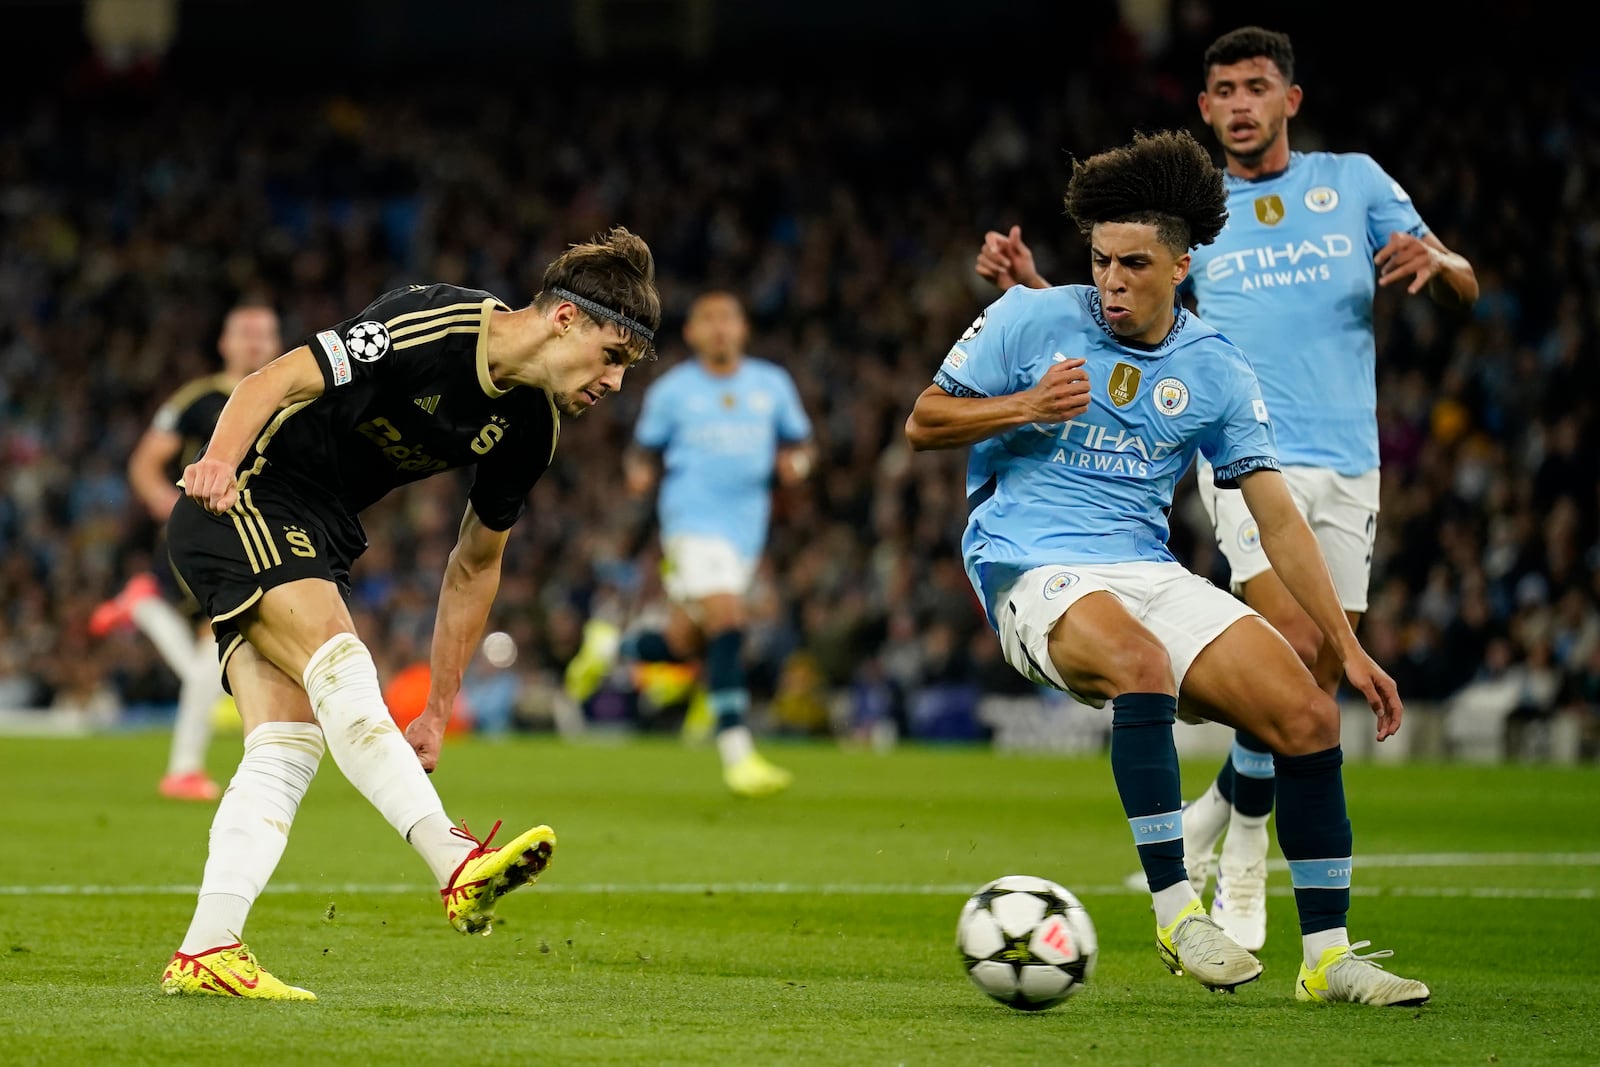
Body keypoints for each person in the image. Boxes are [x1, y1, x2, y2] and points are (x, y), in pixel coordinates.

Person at [973, 25, 1478, 950]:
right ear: (1203, 111)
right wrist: (1039, 289)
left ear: (1291, 98)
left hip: (1347, 459)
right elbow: (1125, 331)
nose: (1241, 103)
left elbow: (1460, 284)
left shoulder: (1355, 183)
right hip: (1246, 458)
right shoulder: (1190, 223)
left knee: (1311, 683)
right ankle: (1243, 872)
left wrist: (1442, 269)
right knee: (1290, 645)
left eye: (1258, 86)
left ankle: (1213, 812)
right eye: (1224, 90)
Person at [912, 129, 1429, 1005]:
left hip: (1143, 566)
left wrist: (1348, 646)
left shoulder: (1217, 368)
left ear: (1182, 264)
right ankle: (1176, 909)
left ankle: (1328, 959)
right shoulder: (1031, 317)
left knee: (1305, 710)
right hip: (1031, 563)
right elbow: (925, 420)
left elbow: (1275, 516)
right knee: (1138, 663)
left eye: (1135, 264)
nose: (1112, 281)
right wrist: (1024, 407)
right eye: (1102, 260)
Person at [158, 226, 662, 1000]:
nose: (615, 384)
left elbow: (475, 563)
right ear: (566, 320)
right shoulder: (435, 322)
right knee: (342, 662)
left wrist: (437, 708)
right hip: (250, 497)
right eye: (613, 357)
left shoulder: (531, 426)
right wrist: (220, 458)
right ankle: (453, 859)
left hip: (320, 535)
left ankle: (208, 949)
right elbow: (277, 377)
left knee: (288, 743)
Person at [564, 290, 815, 797]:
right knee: (729, 622)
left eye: (729, 318)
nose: (720, 328)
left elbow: (803, 444)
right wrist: (637, 475)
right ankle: (738, 754)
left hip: (746, 533)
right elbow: (642, 452)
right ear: (692, 333)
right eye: (709, 320)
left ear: (743, 329)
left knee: (687, 644)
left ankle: (612, 645)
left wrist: (798, 465)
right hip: (690, 524)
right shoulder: (674, 392)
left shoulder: (772, 384)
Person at [90, 304, 283, 801]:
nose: (255, 343)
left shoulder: (285, 394)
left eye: (264, 334)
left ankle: (144, 607)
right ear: (224, 342)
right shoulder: (200, 400)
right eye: (244, 332)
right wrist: (169, 504)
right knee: (213, 650)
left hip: (253, 538)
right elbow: (146, 461)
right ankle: (184, 769)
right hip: (204, 538)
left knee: (214, 654)